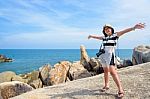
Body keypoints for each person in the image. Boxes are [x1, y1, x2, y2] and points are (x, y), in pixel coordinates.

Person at [88, 23, 145, 98]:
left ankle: (120, 90)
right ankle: (106, 85)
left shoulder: (115, 35)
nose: (107, 30)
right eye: (105, 29)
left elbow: (124, 31)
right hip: (103, 56)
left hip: (110, 56)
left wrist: (134, 27)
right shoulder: (104, 38)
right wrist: (91, 36)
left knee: (113, 72)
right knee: (105, 71)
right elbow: (98, 37)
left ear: (111, 29)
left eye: (108, 28)